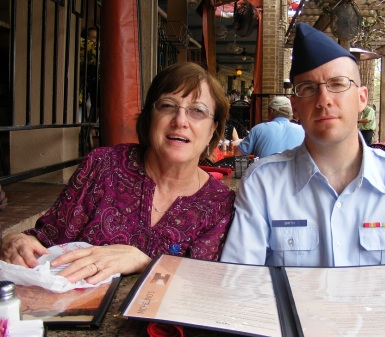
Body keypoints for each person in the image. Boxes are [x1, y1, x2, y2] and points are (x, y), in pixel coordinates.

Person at [220, 23, 385, 268]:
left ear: (362, 98)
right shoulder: (263, 184)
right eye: (308, 88)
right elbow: (241, 284)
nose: (324, 100)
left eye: (338, 84)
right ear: (295, 107)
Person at [0, 62, 236, 284]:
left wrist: (145, 263)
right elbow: (48, 237)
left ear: (213, 128)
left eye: (197, 111)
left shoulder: (219, 204)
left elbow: (205, 284)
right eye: (167, 106)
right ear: (149, 117)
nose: (180, 120)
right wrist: (19, 241)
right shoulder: (103, 166)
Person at [234, 96, 305, 158]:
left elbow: (237, 156)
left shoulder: (258, 129)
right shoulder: (303, 131)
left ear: (271, 111)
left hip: (264, 172)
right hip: (295, 173)